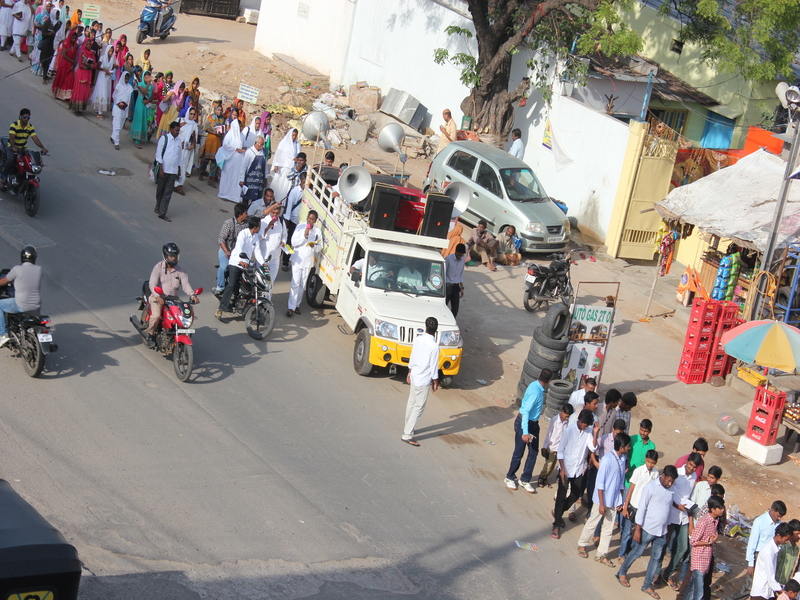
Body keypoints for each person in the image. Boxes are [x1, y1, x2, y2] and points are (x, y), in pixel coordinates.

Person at [615, 465, 679, 596]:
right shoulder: (650, 488)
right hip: (647, 529)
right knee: (636, 552)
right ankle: (621, 572)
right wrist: (638, 529)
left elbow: (668, 511)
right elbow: (642, 508)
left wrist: (667, 530)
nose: (670, 483)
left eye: (672, 481)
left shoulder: (671, 490)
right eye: (669, 480)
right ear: (663, 476)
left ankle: (647, 585)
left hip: (662, 531)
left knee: (655, 558)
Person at [577, 432, 630, 566]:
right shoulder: (607, 460)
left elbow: (620, 482)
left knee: (608, 529)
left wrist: (620, 501)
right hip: (601, 500)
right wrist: (601, 504)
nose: (629, 448)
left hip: (614, 500)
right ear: (622, 447)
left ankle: (601, 554)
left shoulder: (623, 460)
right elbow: (600, 484)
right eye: (628, 446)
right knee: (593, 522)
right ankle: (582, 544)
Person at [551, 409, 600, 539]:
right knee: (561, 495)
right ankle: (556, 524)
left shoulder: (589, 431)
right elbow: (560, 451)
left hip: (578, 470)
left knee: (575, 495)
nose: (586, 427)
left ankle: (558, 513)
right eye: (585, 425)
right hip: (566, 468)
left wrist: (595, 433)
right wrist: (562, 469)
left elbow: (593, 448)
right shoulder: (568, 431)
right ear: (580, 421)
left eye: (588, 426)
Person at [504, 368, 552, 493]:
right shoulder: (536, 392)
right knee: (519, 452)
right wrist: (525, 432)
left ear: (539, 375)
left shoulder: (535, 385)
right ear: (549, 381)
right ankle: (509, 477)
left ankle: (525, 479)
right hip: (524, 424)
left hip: (534, 425)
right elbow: (525, 411)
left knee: (533, 453)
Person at [662, 453, 702, 590]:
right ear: (687, 462)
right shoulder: (677, 473)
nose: (691, 468)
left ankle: (666, 573)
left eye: (694, 467)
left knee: (683, 548)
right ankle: (656, 573)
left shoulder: (694, 477)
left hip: (684, 517)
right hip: (672, 514)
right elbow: (668, 492)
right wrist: (677, 506)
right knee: (664, 544)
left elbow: (688, 495)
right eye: (690, 465)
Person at [145, 243, 198, 342]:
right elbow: (152, 284)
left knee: (183, 315)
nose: (173, 258)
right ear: (165, 256)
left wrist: (192, 295)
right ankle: (150, 335)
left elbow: (186, 284)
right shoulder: (158, 267)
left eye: (175, 256)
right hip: (158, 297)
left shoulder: (181, 270)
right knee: (156, 316)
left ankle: (177, 332)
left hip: (173, 299)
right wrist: (158, 296)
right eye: (171, 256)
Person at [401, 316, 440, 447]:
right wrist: (435, 381)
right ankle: (407, 434)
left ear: (426, 327)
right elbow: (433, 366)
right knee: (419, 407)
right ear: (436, 330)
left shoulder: (418, 339)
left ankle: (408, 427)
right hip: (423, 380)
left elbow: (413, 356)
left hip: (414, 376)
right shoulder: (434, 347)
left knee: (411, 403)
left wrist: (409, 371)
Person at [216, 216, 262, 319]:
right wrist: (241, 260)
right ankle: (220, 309)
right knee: (232, 285)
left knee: (251, 285)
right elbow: (240, 248)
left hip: (247, 264)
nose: (260, 228)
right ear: (255, 227)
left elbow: (258, 252)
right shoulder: (243, 234)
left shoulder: (256, 237)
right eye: (259, 226)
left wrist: (263, 264)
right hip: (236, 262)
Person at [620, 449, 660, 562]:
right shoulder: (638, 471)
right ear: (645, 460)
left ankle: (629, 551)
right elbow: (631, 490)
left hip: (645, 509)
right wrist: (625, 506)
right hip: (633, 505)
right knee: (627, 531)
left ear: (655, 462)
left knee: (638, 533)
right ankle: (622, 554)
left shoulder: (656, 474)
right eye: (648, 461)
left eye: (652, 462)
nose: (650, 464)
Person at [684, 496, 726, 600]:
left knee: (693, 587)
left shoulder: (715, 521)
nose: (722, 510)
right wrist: (708, 542)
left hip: (706, 558)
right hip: (699, 559)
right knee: (699, 592)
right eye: (720, 508)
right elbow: (693, 540)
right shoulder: (704, 522)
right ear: (713, 509)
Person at [0, 246, 41, 348]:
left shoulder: (17, 269)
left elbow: (4, 281)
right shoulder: (39, 270)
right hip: (36, 306)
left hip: (21, 305)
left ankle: (3, 334)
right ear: (34, 257)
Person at [287, 210, 321, 316]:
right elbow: (293, 242)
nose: (309, 221)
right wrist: (304, 235)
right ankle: (290, 307)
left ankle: (297, 305)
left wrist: (314, 245)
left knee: (302, 284)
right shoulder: (300, 227)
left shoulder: (317, 231)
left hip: (307, 261)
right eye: (308, 218)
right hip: (297, 259)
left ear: (315, 221)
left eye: (312, 219)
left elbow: (320, 247)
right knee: (295, 283)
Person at [2, 108, 48, 181]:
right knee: (10, 161)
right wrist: (13, 147)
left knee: (28, 162)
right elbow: (12, 138)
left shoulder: (30, 127)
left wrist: (43, 147)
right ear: (20, 116)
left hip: (22, 148)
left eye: (28, 117)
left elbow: (35, 138)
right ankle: (3, 178)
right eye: (24, 117)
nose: (26, 119)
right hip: (12, 147)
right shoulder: (14, 125)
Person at [747, 502, 788, 582]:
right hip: (759, 556)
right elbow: (752, 542)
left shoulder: (779, 524)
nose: (779, 518)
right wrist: (751, 564)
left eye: (781, 517)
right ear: (772, 510)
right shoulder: (760, 521)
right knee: (751, 585)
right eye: (778, 516)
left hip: (771, 556)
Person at [751, 524, 793, 600]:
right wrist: (782, 592)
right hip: (761, 593)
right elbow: (770, 576)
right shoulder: (768, 552)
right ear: (779, 535)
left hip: (767, 592)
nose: (786, 542)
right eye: (786, 539)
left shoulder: (774, 549)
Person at [538, 403, 574, 488]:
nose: (567, 418)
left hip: (560, 448)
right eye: (566, 415)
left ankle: (545, 478)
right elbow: (549, 433)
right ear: (562, 412)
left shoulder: (566, 423)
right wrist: (544, 446)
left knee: (553, 465)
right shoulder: (554, 420)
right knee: (549, 464)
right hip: (552, 447)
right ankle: (541, 477)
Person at [215, 203, 249, 293]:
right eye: (246, 213)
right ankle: (220, 287)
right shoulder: (229, 223)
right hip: (227, 251)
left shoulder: (247, 224)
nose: (247, 214)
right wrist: (226, 251)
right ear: (240, 215)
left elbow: (260, 215)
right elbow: (221, 239)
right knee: (224, 267)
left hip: (240, 253)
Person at [254, 202, 286, 295]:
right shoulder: (263, 221)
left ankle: (266, 301)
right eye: (273, 213)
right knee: (260, 279)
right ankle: (258, 300)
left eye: (277, 213)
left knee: (270, 281)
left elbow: (284, 234)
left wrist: (283, 241)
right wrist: (268, 226)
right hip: (263, 257)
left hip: (275, 257)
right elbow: (259, 236)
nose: (275, 215)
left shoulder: (281, 222)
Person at [154, 121, 183, 222]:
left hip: (173, 170)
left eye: (178, 130)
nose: (177, 132)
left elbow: (179, 156)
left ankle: (162, 212)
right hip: (164, 169)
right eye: (176, 130)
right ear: (171, 129)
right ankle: (158, 205)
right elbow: (158, 154)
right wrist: (161, 168)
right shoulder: (164, 139)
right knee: (160, 190)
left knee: (168, 192)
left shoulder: (179, 141)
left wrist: (179, 168)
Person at [216, 115, 246, 203]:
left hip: (238, 160)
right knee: (227, 177)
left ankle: (234, 196)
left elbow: (243, 145)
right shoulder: (230, 134)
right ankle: (224, 194)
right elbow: (225, 145)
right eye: (239, 126)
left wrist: (243, 149)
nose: (241, 128)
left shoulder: (242, 135)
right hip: (230, 159)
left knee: (236, 178)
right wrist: (236, 149)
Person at [282, 171, 306, 271]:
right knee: (289, 241)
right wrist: (287, 220)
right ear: (302, 180)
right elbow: (289, 206)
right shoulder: (295, 191)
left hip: (302, 222)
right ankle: (285, 261)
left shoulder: (309, 191)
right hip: (293, 220)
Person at [199, 101, 225, 187]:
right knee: (205, 159)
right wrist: (214, 133)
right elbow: (206, 128)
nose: (220, 112)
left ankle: (210, 179)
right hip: (210, 140)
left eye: (221, 110)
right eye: (218, 110)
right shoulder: (211, 117)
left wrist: (221, 133)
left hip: (217, 142)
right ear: (215, 110)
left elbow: (223, 129)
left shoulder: (222, 119)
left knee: (214, 161)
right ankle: (201, 174)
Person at [174, 106, 198, 195]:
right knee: (174, 165)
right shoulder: (180, 120)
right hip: (176, 148)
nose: (191, 116)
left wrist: (192, 146)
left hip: (186, 151)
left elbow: (195, 140)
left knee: (182, 167)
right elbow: (172, 133)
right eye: (190, 114)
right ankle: (171, 183)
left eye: (193, 114)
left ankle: (179, 185)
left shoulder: (194, 125)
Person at [69, 37, 96, 114]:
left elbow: (95, 65)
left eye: (89, 44)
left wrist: (89, 66)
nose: (88, 45)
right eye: (87, 44)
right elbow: (80, 64)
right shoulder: (81, 52)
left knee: (85, 91)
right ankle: (76, 108)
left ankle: (81, 108)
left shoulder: (92, 54)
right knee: (79, 90)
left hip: (88, 74)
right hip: (81, 73)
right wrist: (86, 66)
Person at [239, 134, 268, 205]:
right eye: (260, 144)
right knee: (246, 199)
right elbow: (244, 166)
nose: (262, 146)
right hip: (249, 180)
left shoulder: (263, 152)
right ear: (255, 143)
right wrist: (241, 179)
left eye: (263, 144)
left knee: (256, 201)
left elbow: (265, 167)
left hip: (259, 181)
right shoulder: (249, 152)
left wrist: (265, 178)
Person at [89, 43, 114, 119]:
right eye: (110, 51)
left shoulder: (112, 59)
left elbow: (111, 68)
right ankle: (99, 112)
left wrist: (109, 71)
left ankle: (98, 109)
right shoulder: (103, 58)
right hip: (102, 77)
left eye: (112, 51)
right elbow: (97, 66)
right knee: (101, 92)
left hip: (107, 78)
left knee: (105, 92)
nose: (111, 53)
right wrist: (104, 69)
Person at [626, 419, 656, 483]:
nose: (642, 433)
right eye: (641, 430)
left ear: (650, 431)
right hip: (628, 475)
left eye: (645, 431)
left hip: (641, 478)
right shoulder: (632, 439)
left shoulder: (652, 446)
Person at [130, 71, 154, 149]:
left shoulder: (151, 86)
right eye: (146, 77)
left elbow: (152, 96)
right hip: (140, 104)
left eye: (148, 77)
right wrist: (147, 84)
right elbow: (144, 92)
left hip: (145, 104)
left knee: (143, 120)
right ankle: (137, 140)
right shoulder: (140, 84)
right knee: (138, 120)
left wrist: (148, 101)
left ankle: (137, 137)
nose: (147, 78)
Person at [110, 72, 133, 150]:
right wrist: (119, 103)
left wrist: (130, 108)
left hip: (125, 108)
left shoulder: (130, 87)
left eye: (128, 79)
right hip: (118, 108)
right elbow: (114, 96)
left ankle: (113, 137)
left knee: (120, 126)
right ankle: (117, 143)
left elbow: (130, 99)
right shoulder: (119, 86)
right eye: (125, 78)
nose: (126, 80)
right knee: (116, 125)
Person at [445, 243, 466, 317]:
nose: (460, 257)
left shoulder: (462, 260)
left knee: (455, 309)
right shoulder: (448, 258)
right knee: (444, 306)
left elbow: (461, 274)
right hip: (447, 286)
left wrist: (462, 288)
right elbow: (444, 272)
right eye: (459, 255)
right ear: (455, 252)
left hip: (456, 287)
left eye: (461, 255)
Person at [777, 520, 800, 586]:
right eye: (798, 533)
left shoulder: (796, 549)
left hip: (784, 585)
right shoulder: (782, 547)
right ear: (791, 532)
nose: (799, 536)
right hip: (775, 583)